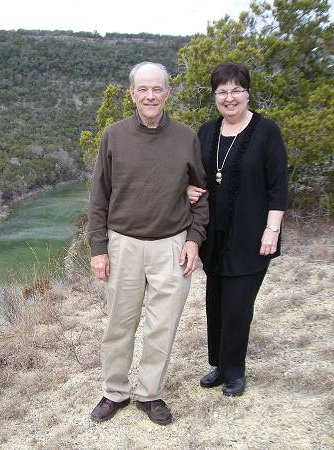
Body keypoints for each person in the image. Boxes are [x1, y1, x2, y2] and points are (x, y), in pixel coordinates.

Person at [87, 61, 209, 426]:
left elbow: (200, 196)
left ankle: (150, 394)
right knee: (119, 325)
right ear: (132, 94)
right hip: (123, 245)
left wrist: (194, 239)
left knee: (162, 325)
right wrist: (98, 248)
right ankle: (114, 392)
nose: (150, 95)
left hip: (171, 247)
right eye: (143, 89)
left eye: (158, 88)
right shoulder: (114, 135)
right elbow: (99, 197)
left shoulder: (186, 137)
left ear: (168, 92)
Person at [188, 62, 288, 396]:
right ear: (214, 96)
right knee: (215, 302)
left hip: (251, 236)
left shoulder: (266, 131)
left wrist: (271, 230)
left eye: (236, 90)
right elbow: (196, 176)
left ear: (247, 92)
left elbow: (278, 186)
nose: (229, 98)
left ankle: (235, 371)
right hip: (214, 237)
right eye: (222, 92)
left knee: (237, 306)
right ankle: (218, 364)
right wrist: (187, 189)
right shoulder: (206, 132)